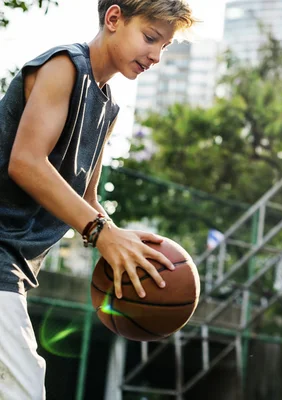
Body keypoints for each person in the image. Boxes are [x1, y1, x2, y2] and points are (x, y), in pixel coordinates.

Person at [0, 1, 196, 398]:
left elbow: (86, 197)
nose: (156, 56)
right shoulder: (63, 68)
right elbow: (25, 162)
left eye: (166, 46)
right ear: (113, 19)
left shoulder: (107, 107)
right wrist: (100, 232)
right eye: (150, 37)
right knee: (23, 389)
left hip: (14, 268)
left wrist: (122, 240)